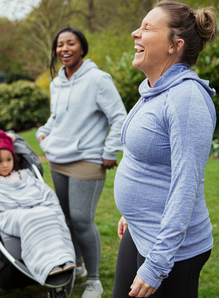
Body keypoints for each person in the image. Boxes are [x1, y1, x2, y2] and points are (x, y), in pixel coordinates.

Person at [113, 1, 217, 298]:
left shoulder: (187, 99)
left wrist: (157, 265)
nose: (135, 33)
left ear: (175, 45)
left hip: (172, 250)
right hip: (140, 230)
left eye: (147, 28)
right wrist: (132, 212)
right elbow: (146, 158)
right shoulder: (154, 90)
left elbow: (186, 185)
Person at [36, 27, 127, 298]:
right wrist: (43, 133)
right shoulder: (56, 82)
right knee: (66, 218)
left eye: (70, 43)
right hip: (58, 159)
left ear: (82, 48)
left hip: (87, 159)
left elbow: (119, 117)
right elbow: (57, 116)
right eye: (60, 44)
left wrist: (110, 151)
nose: (64, 49)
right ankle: (77, 266)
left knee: (81, 220)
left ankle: (94, 280)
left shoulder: (98, 79)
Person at [0, 130, 76, 285]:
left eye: (8, 159)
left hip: (35, 209)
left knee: (49, 213)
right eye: (0, 161)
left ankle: (62, 258)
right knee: (29, 217)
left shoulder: (25, 175)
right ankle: (44, 265)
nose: (6, 164)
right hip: (8, 214)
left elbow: (46, 195)